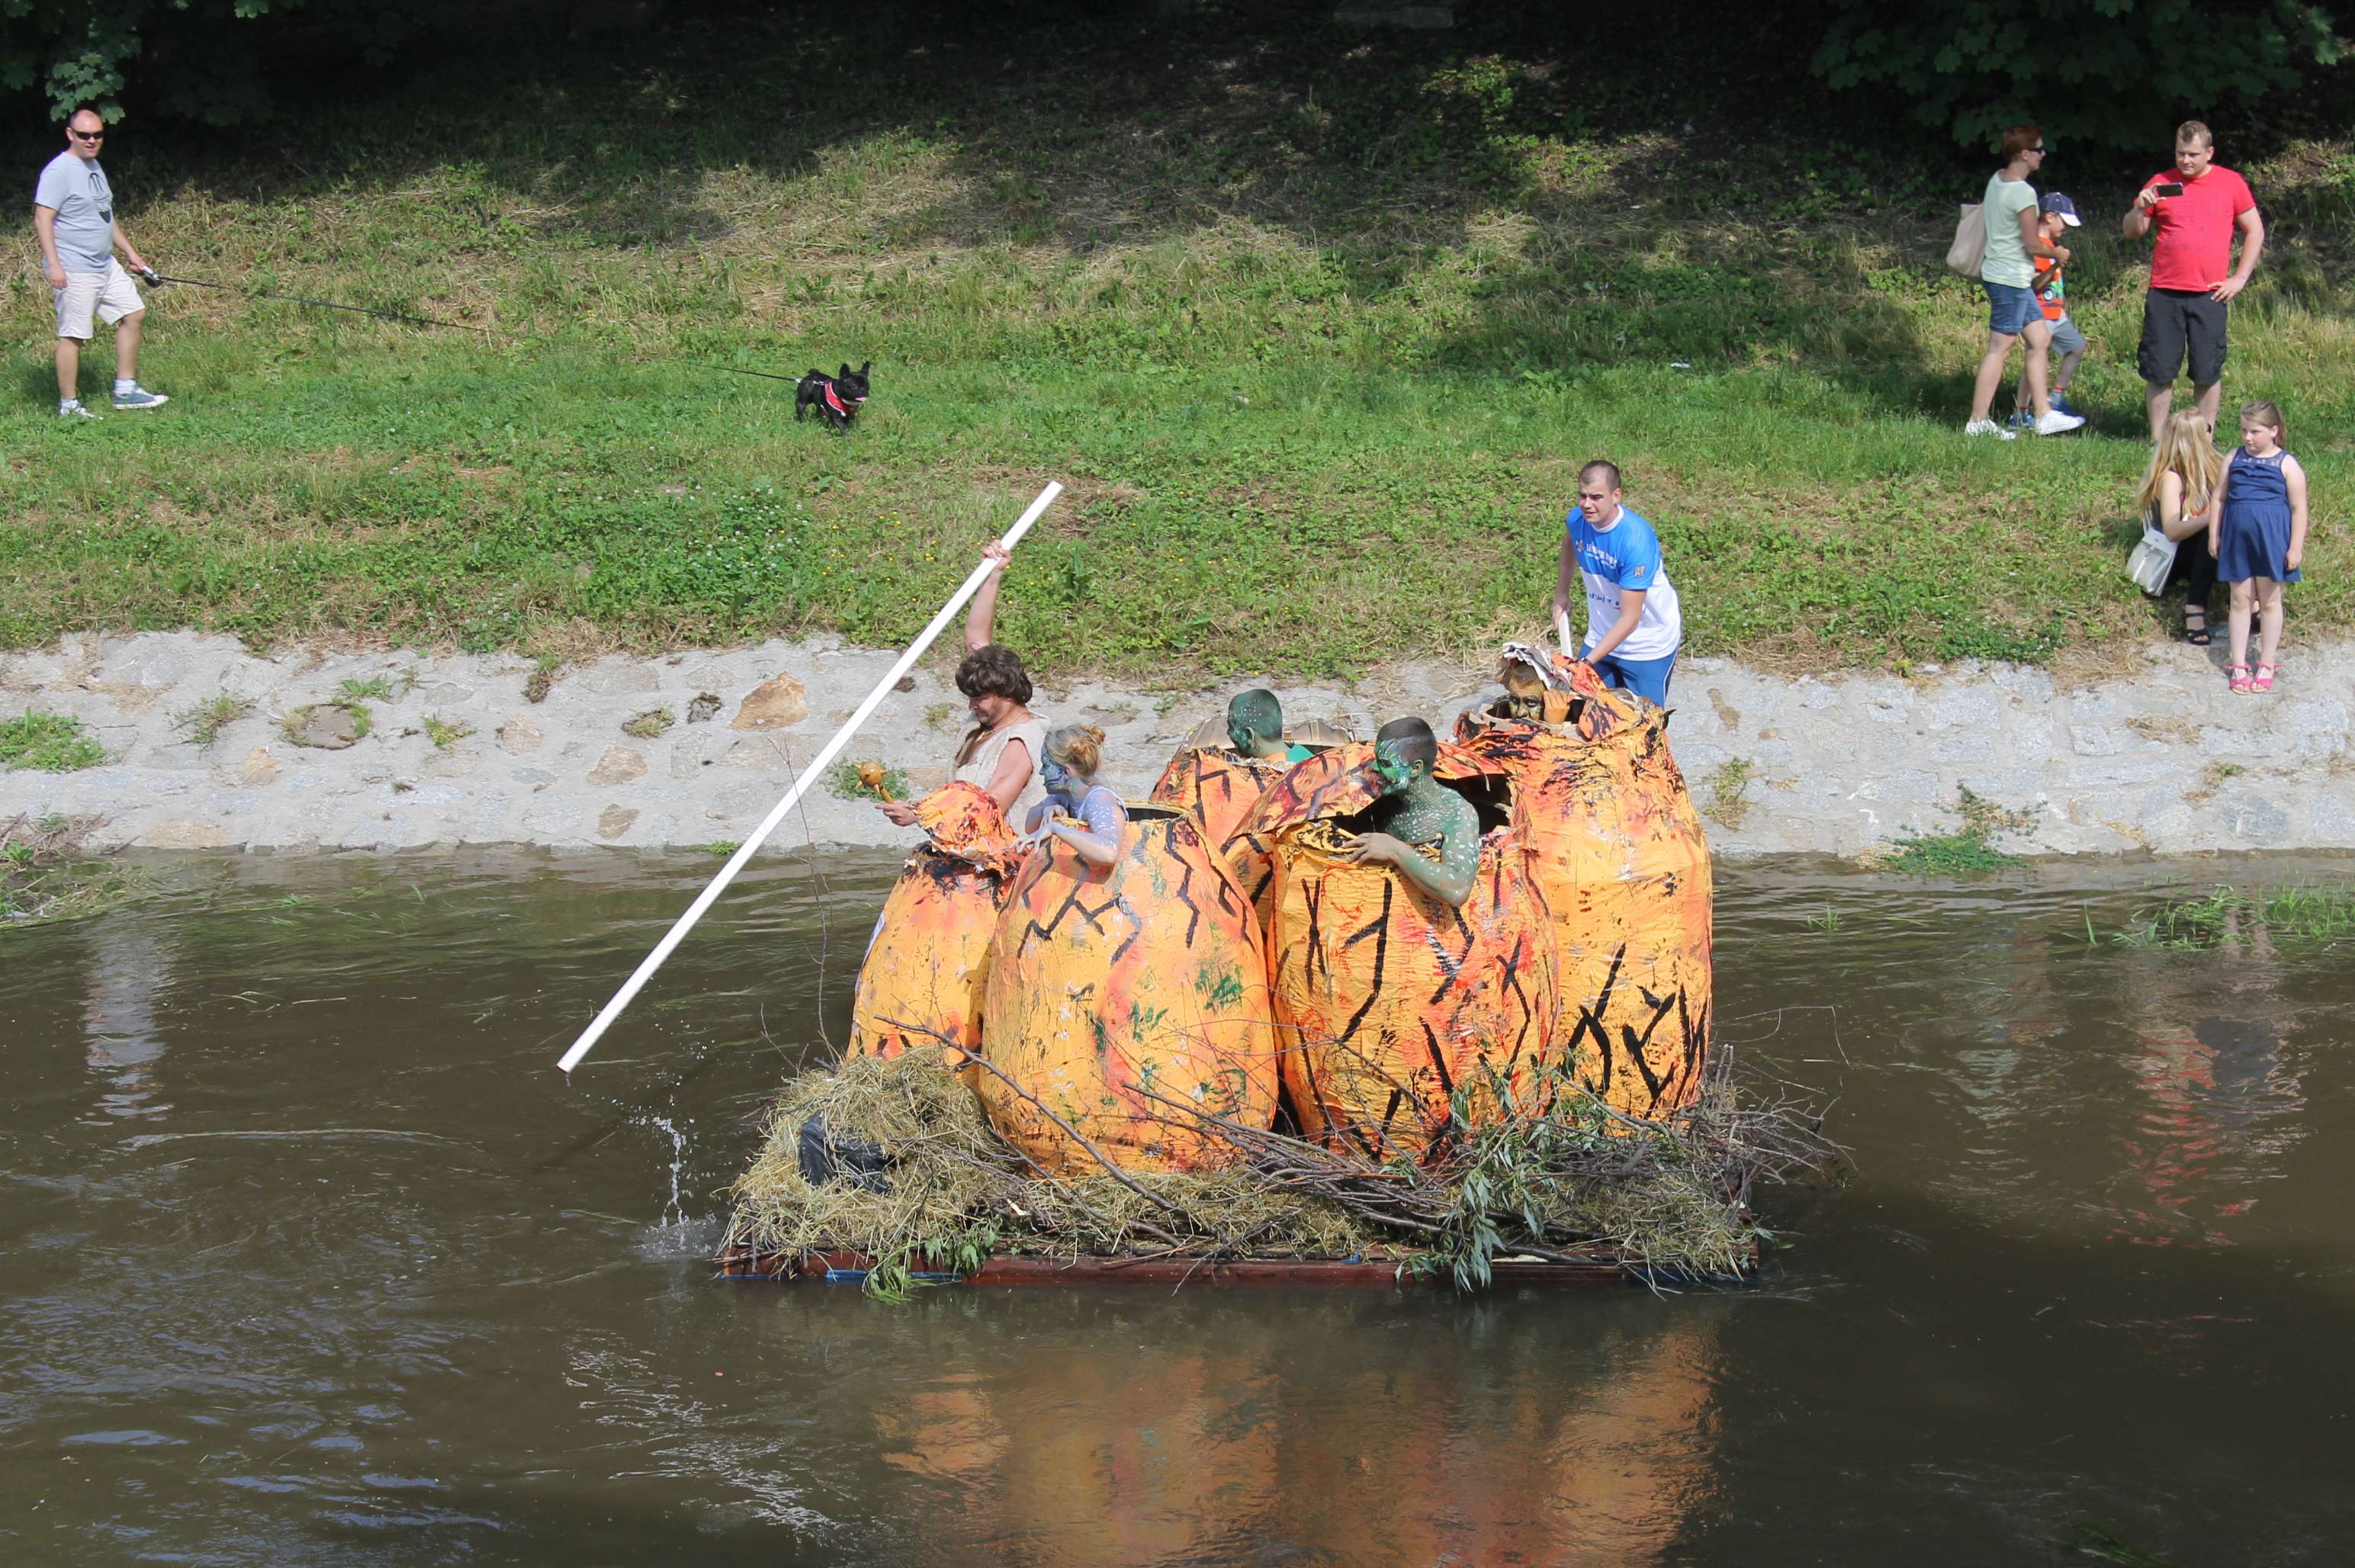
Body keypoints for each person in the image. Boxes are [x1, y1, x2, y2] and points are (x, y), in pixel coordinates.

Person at [879, 541, 1046, 828]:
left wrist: (920, 814)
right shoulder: (989, 720)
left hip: (1000, 854)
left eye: (979, 698)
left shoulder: (1023, 740)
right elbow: (976, 637)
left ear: (1006, 693)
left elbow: (988, 809)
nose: (972, 706)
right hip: (962, 846)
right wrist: (993, 575)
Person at [2124, 120, 2263, 442]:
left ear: (2209, 152)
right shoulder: (2160, 183)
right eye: (2180, 153)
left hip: (2210, 294)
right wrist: (2140, 208)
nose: (2185, 160)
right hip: (2164, 292)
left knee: (2206, 371)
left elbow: (2255, 230)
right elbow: (2132, 231)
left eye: (2193, 155)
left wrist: (2239, 278)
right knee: (2159, 370)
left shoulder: (2231, 183)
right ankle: (2158, 440)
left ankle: (2204, 439)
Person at [32, 108, 168, 419]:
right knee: (74, 335)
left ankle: (126, 391)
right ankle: (69, 406)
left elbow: (104, 216)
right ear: (70, 134)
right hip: (74, 267)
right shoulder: (59, 171)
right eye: (84, 135)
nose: (91, 140)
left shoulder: (93, 166)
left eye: (97, 135)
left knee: (134, 312)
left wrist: (132, 254)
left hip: (104, 264)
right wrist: (55, 265)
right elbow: (42, 218)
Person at [1965, 125, 2083, 439]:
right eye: (2039, 149)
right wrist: (2057, 252)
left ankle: (2043, 415)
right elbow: (2033, 244)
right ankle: (1977, 422)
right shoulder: (2023, 192)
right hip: (2010, 279)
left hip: (2008, 276)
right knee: (1999, 349)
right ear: (2024, 154)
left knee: (2040, 339)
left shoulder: (1997, 180)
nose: (2043, 154)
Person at [1552, 460, 1682, 706]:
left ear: (1616, 496)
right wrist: (1561, 594)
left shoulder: (1636, 541)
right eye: (1582, 496)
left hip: (1647, 646)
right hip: (1601, 636)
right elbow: (1570, 543)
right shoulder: (1577, 521)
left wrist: (1586, 663)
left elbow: (1630, 619)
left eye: (1596, 497)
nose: (1586, 504)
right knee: (1586, 711)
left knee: (1645, 722)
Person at [2210, 400, 2307, 695]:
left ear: (2273, 431)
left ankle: (2267, 661)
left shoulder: (2286, 464)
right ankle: (2239, 663)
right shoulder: (2234, 458)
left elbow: (2298, 508)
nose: (2247, 437)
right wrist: (2214, 535)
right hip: (2238, 539)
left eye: (2255, 431)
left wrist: (2295, 547)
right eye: (2244, 431)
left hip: (2272, 540)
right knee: (2240, 599)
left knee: (2269, 601)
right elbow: (2219, 498)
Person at [1338, 718, 1478, 907]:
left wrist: (1395, 850)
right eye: (1376, 759)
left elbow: (1457, 890)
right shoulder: (1385, 801)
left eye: (1385, 763)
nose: (1374, 768)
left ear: (1415, 768)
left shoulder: (1456, 812)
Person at [2135, 410, 2225, 644]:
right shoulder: (2171, 478)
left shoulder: (2213, 468)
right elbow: (2173, 531)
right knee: (2211, 530)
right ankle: (2194, 607)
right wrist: (2212, 517)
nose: (2210, 434)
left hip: (2204, 550)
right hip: (2173, 556)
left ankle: (2254, 599)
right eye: (2206, 429)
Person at [2009, 193, 2090, 429]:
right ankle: (2020, 414)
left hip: (2057, 314)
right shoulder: (2038, 247)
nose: (2066, 227)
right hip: (2040, 314)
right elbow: (2034, 284)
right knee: (2034, 361)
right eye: (2064, 221)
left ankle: (2056, 397)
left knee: (2077, 346)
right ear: (2050, 217)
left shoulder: (2051, 246)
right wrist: (2055, 265)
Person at [1023, 724, 1129, 868]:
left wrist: (1055, 828)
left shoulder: (1099, 800)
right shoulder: (1065, 796)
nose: (1041, 772)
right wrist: (1046, 809)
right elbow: (1029, 826)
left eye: (1046, 766)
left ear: (1066, 772)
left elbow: (1110, 852)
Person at [1226, 689, 1311, 763]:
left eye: (1232, 728)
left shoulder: (1271, 773)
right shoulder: (1302, 751)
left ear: (1249, 735)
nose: (1228, 733)